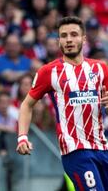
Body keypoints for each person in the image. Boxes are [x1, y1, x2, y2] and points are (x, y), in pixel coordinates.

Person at [17, 16, 108, 189]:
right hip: (75, 152)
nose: (69, 40)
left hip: (103, 148)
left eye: (74, 34)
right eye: (64, 36)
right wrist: (22, 137)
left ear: (83, 39)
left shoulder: (100, 68)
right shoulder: (48, 72)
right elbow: (26, 105)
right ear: (59, 41)